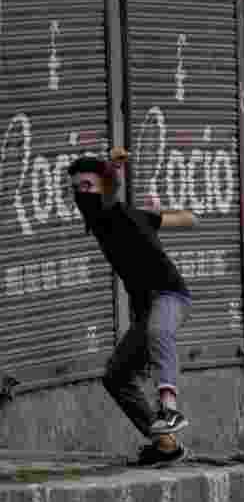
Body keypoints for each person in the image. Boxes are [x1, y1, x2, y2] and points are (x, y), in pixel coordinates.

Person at [69, 148, 197, 468]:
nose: (80, 193)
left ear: (104, 187)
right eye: (76, 188)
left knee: (158, 331)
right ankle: (166, 446)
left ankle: (169, 410)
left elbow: (190, 218)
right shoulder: (111, 219)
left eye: (87, 186)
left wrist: (114, 170)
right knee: (116, 376)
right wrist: (150, 212)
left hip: (170, 296)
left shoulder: (121, 212)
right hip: (145, 309)